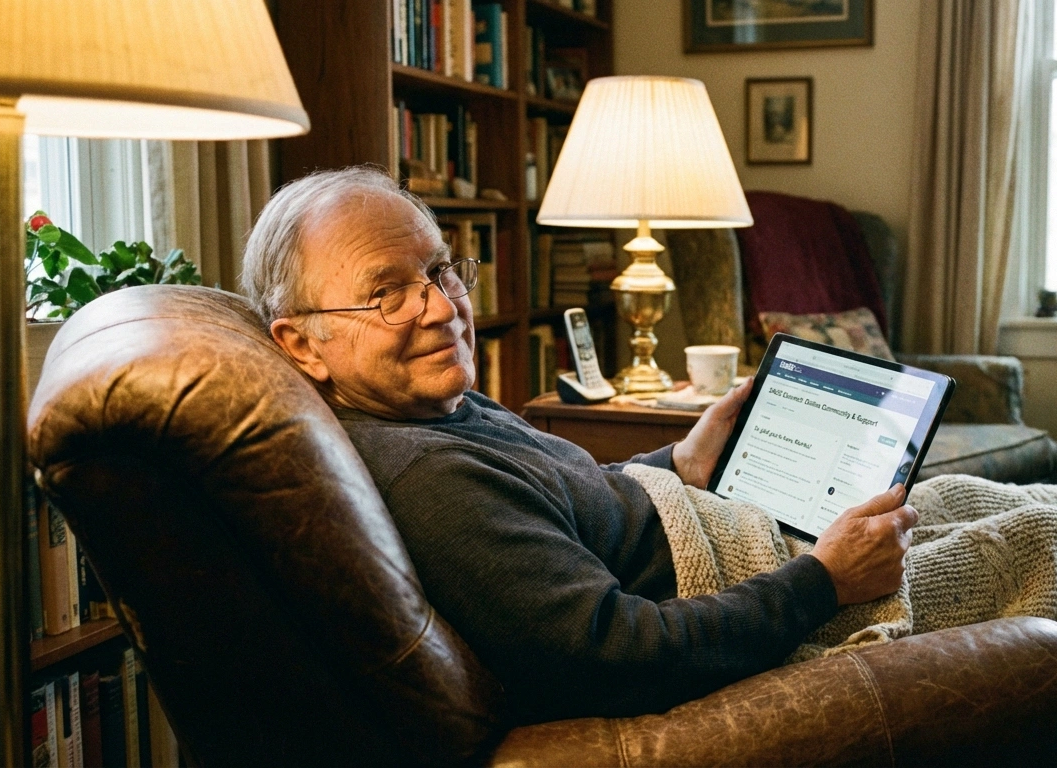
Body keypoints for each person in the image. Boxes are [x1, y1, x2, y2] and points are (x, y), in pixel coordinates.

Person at [242, 167, 918, 724]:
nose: (444, 309)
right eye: (388, 293)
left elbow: (562, 510)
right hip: (761, 578)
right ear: (301, 343)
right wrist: (826, 581)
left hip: (742, 526)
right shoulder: (431, 482)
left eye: (441, 271)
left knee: (957, 495)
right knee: (1023, 533)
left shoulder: (428, 405)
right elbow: (614, 654)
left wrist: (681, 462)